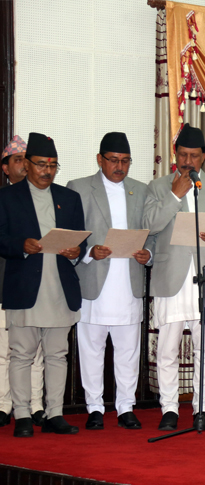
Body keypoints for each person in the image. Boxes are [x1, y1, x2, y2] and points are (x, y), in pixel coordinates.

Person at [143, 123, 205, 431]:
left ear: (203, 156)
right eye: (182, 155)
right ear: (175, 154)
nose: (188, 161)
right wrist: (174, 195)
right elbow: (149, 226)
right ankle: (169, 408)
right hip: (171, 278)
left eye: (194, 156)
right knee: (167, 349)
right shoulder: (158, 187)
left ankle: (202, 409)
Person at [0, 133, 87, 437]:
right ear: (26, 164)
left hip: (59, 289)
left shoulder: (69, 198)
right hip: (25, 287)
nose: (47, 171)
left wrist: (77, 251)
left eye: (52, 165)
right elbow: (1, 239)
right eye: (41, 165)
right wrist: (20, 245)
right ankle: (23, 415)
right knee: (21, 354)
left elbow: (80, 239)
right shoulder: (7, 197)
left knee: (57, 355)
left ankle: (55, 414)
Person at [67, 132, 153, 431]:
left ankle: (126, 407)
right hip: (94, 281)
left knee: (128, 351)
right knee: (91, 349)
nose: (120, 167)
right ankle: (94, 408)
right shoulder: (79, 188)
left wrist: (148, 254)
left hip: (128, 282)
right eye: (114, 160)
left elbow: (151, 234)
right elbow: (71, 234)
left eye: (126, 161)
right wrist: (89, 252)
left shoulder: (141, 190)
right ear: (99, 160)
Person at [0, 136, 45, 428]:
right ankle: (4, 405)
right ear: (5, 168)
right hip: (6, 287)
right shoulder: (3, 199)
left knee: (36, 352)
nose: (24, 165)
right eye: (17, 160)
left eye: (26, 160)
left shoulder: (43, 199)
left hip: (37, 287)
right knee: (6, 351)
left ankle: (36, 404)